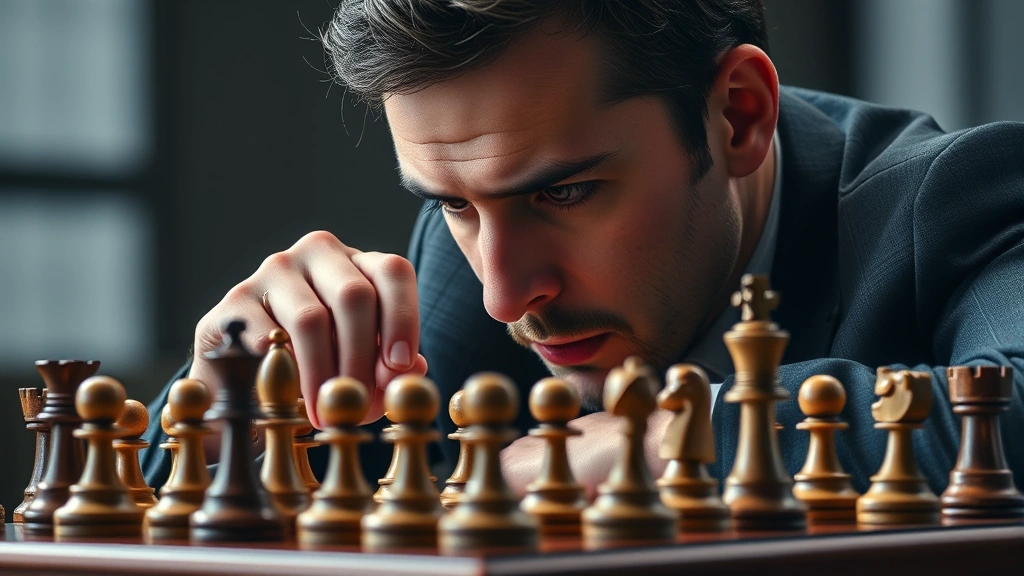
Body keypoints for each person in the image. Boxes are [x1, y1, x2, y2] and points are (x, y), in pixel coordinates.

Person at [142, 0, 1024, 496]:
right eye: (451, 203)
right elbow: (351, 493)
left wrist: (661, 438)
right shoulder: (466, 265)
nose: (503, 293)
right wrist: (221, 408)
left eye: (563, 192)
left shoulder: (955, 203)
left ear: (737, 115)